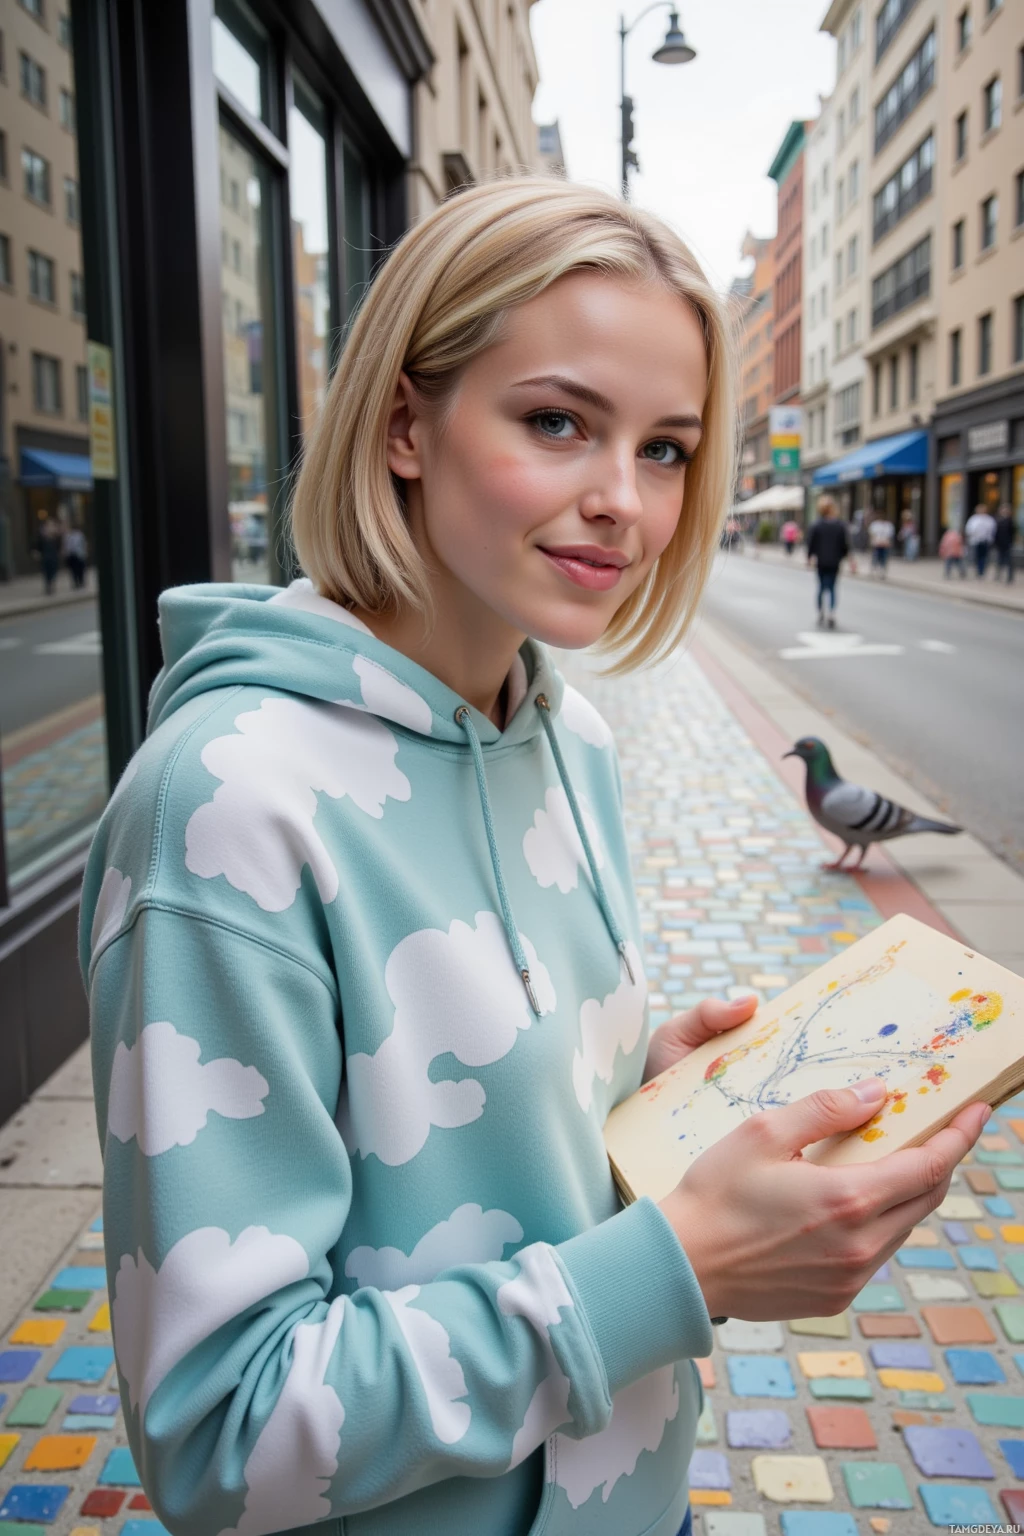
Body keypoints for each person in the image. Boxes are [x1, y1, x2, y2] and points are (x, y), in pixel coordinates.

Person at [78, 178, 987, 1536]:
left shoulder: (576, 739)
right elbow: (221, 1432)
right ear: (404, 422)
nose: (623, 500)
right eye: (557, 422)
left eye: (667, 448)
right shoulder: (224, 809)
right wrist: (676, 1263)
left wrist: (646, 1105)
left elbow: (507, 1163)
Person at [806, 494, 852, 628]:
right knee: (832, 587)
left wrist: (809, 557)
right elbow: (845, 545)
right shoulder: (839, 525)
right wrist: (845, 557)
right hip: (834, 561)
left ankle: (821, 611)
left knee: (821, 587)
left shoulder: (817, 525)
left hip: (821, 561)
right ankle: (831, 613)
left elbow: (811, 544)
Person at [964, 503, 997, 578]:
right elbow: (969, 530)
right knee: (976, 557)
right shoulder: (974, 519)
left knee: (984, 557)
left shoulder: (989, 519)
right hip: (976, 541)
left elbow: (992, 530)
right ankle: (978, 570)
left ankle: (981, 571)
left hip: (985, 541)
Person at [34, 517, 62, 595]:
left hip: (54, 557)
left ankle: (51, 584)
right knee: (46, 573)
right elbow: (38, 546)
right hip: (45, 557)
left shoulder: (55, 537)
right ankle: (48, 586)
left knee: (53, 571)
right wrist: (37, 552)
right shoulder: (42, 537)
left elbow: (59, 547)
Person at [994, 503, 1016, 585]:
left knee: (1009, 561)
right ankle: (998, 575)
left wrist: (1010, 542)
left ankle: (1009, 577)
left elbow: (1012, 533)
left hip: (1007, 544)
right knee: (999, 560)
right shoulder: (998, 520)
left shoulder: (1010, 521)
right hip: (1000, 544)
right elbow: (996, 533)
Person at [868, 511, 895, 576]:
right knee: (875, 557)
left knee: (884, 558)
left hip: (885, 544)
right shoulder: (875, 524)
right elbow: (872, 534)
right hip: (876, 544)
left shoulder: (888, 525)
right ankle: (874, 569)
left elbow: (890, 536)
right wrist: (875, 541)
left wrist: (887, 542)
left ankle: (882, 570)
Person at [63, 525, 88, 589]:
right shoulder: (67, 536)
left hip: (79, 555)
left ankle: (81, 582)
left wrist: (84, 553)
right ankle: (76, 582)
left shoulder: (80, 535)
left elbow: (84, 544)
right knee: (73, 570)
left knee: (80, 569)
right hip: (72, 556)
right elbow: (66, 546)